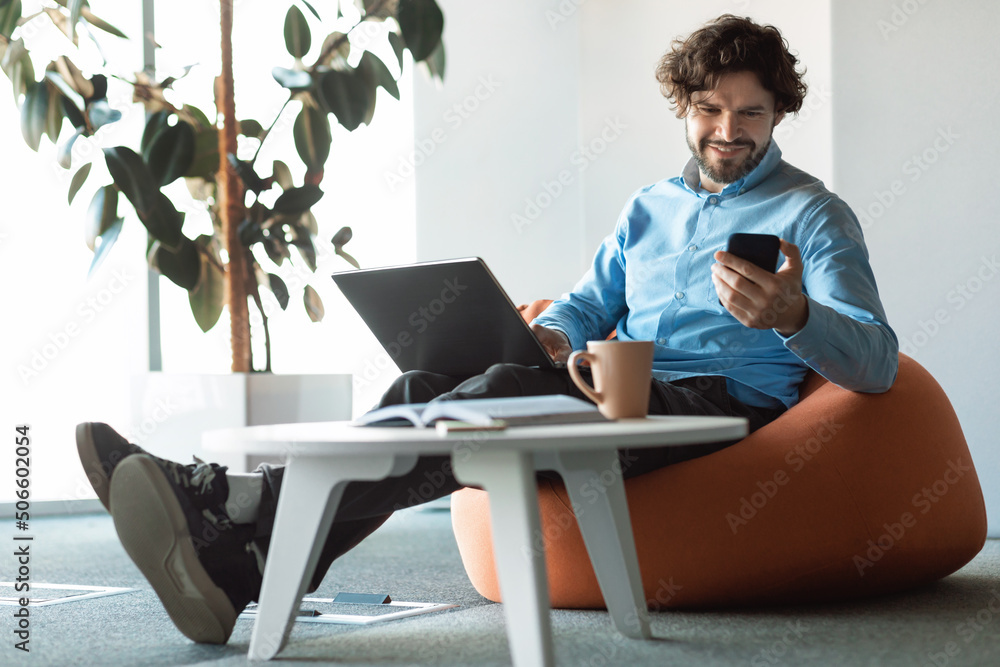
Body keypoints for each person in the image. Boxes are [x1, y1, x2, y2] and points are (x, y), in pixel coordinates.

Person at [77, 14, 897, 645]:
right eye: (710, 109)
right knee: (422, 387)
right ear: (683, 107)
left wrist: (794, 314)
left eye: (751, 112)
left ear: (779, 111)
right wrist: (551, 336)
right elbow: (586, 303)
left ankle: (231, 498)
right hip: (618, 388)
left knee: (495, 397)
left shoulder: (814, 215)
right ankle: (240, 567)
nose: (729, 131)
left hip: (721, 407)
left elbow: (877, 361)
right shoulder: (649, 206)